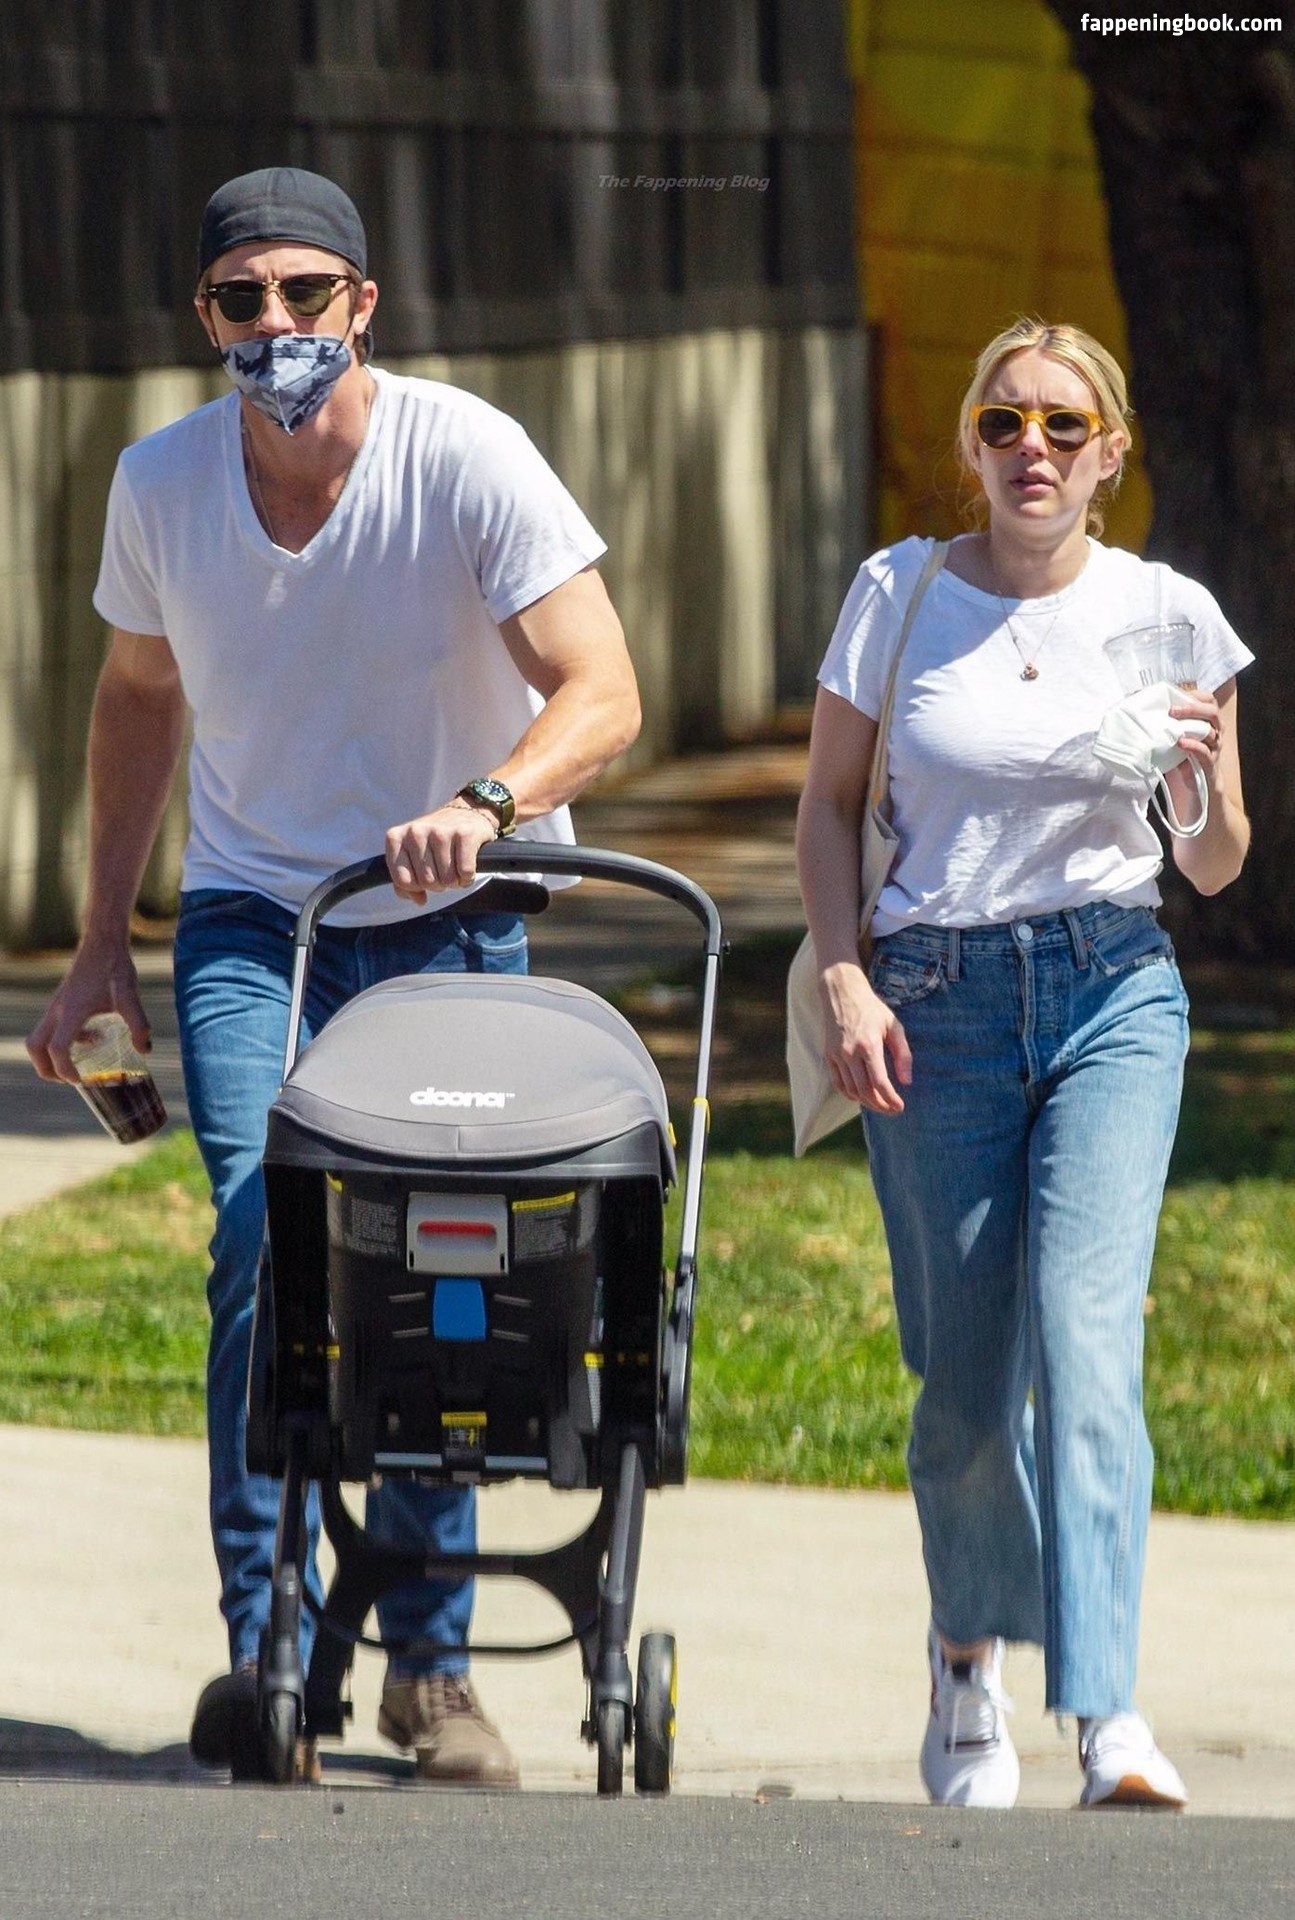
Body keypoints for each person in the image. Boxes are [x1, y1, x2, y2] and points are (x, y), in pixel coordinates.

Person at [27, 167, 640, 1786]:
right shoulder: (163, 485)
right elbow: (138, 698)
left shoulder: (466, 456)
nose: (276, 325)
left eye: (307, 294)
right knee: (266, 1234)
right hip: (255, 920)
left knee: (437, 1262)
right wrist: (99, 941)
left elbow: (603, 688)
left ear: (365, 304)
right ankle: (272, 1648)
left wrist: (488, 805)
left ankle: (429, 1666)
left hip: (452, 921)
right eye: (243, 300)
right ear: (205, 317)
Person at [795, 318, 1251, 1810]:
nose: (1032, 450)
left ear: (1111, 453)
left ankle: (1107, 1712)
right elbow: (828, 806)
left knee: (1088, 1338)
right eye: (1004, 424)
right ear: (972, 446)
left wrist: (1193, 786)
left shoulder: (1172, 616)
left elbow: (1220, 863)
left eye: (1063, 426)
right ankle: (966, 1662)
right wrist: (846, 978)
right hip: (933, 1004)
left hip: (1115, 989)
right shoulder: (899, 594)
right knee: (969, 1383)